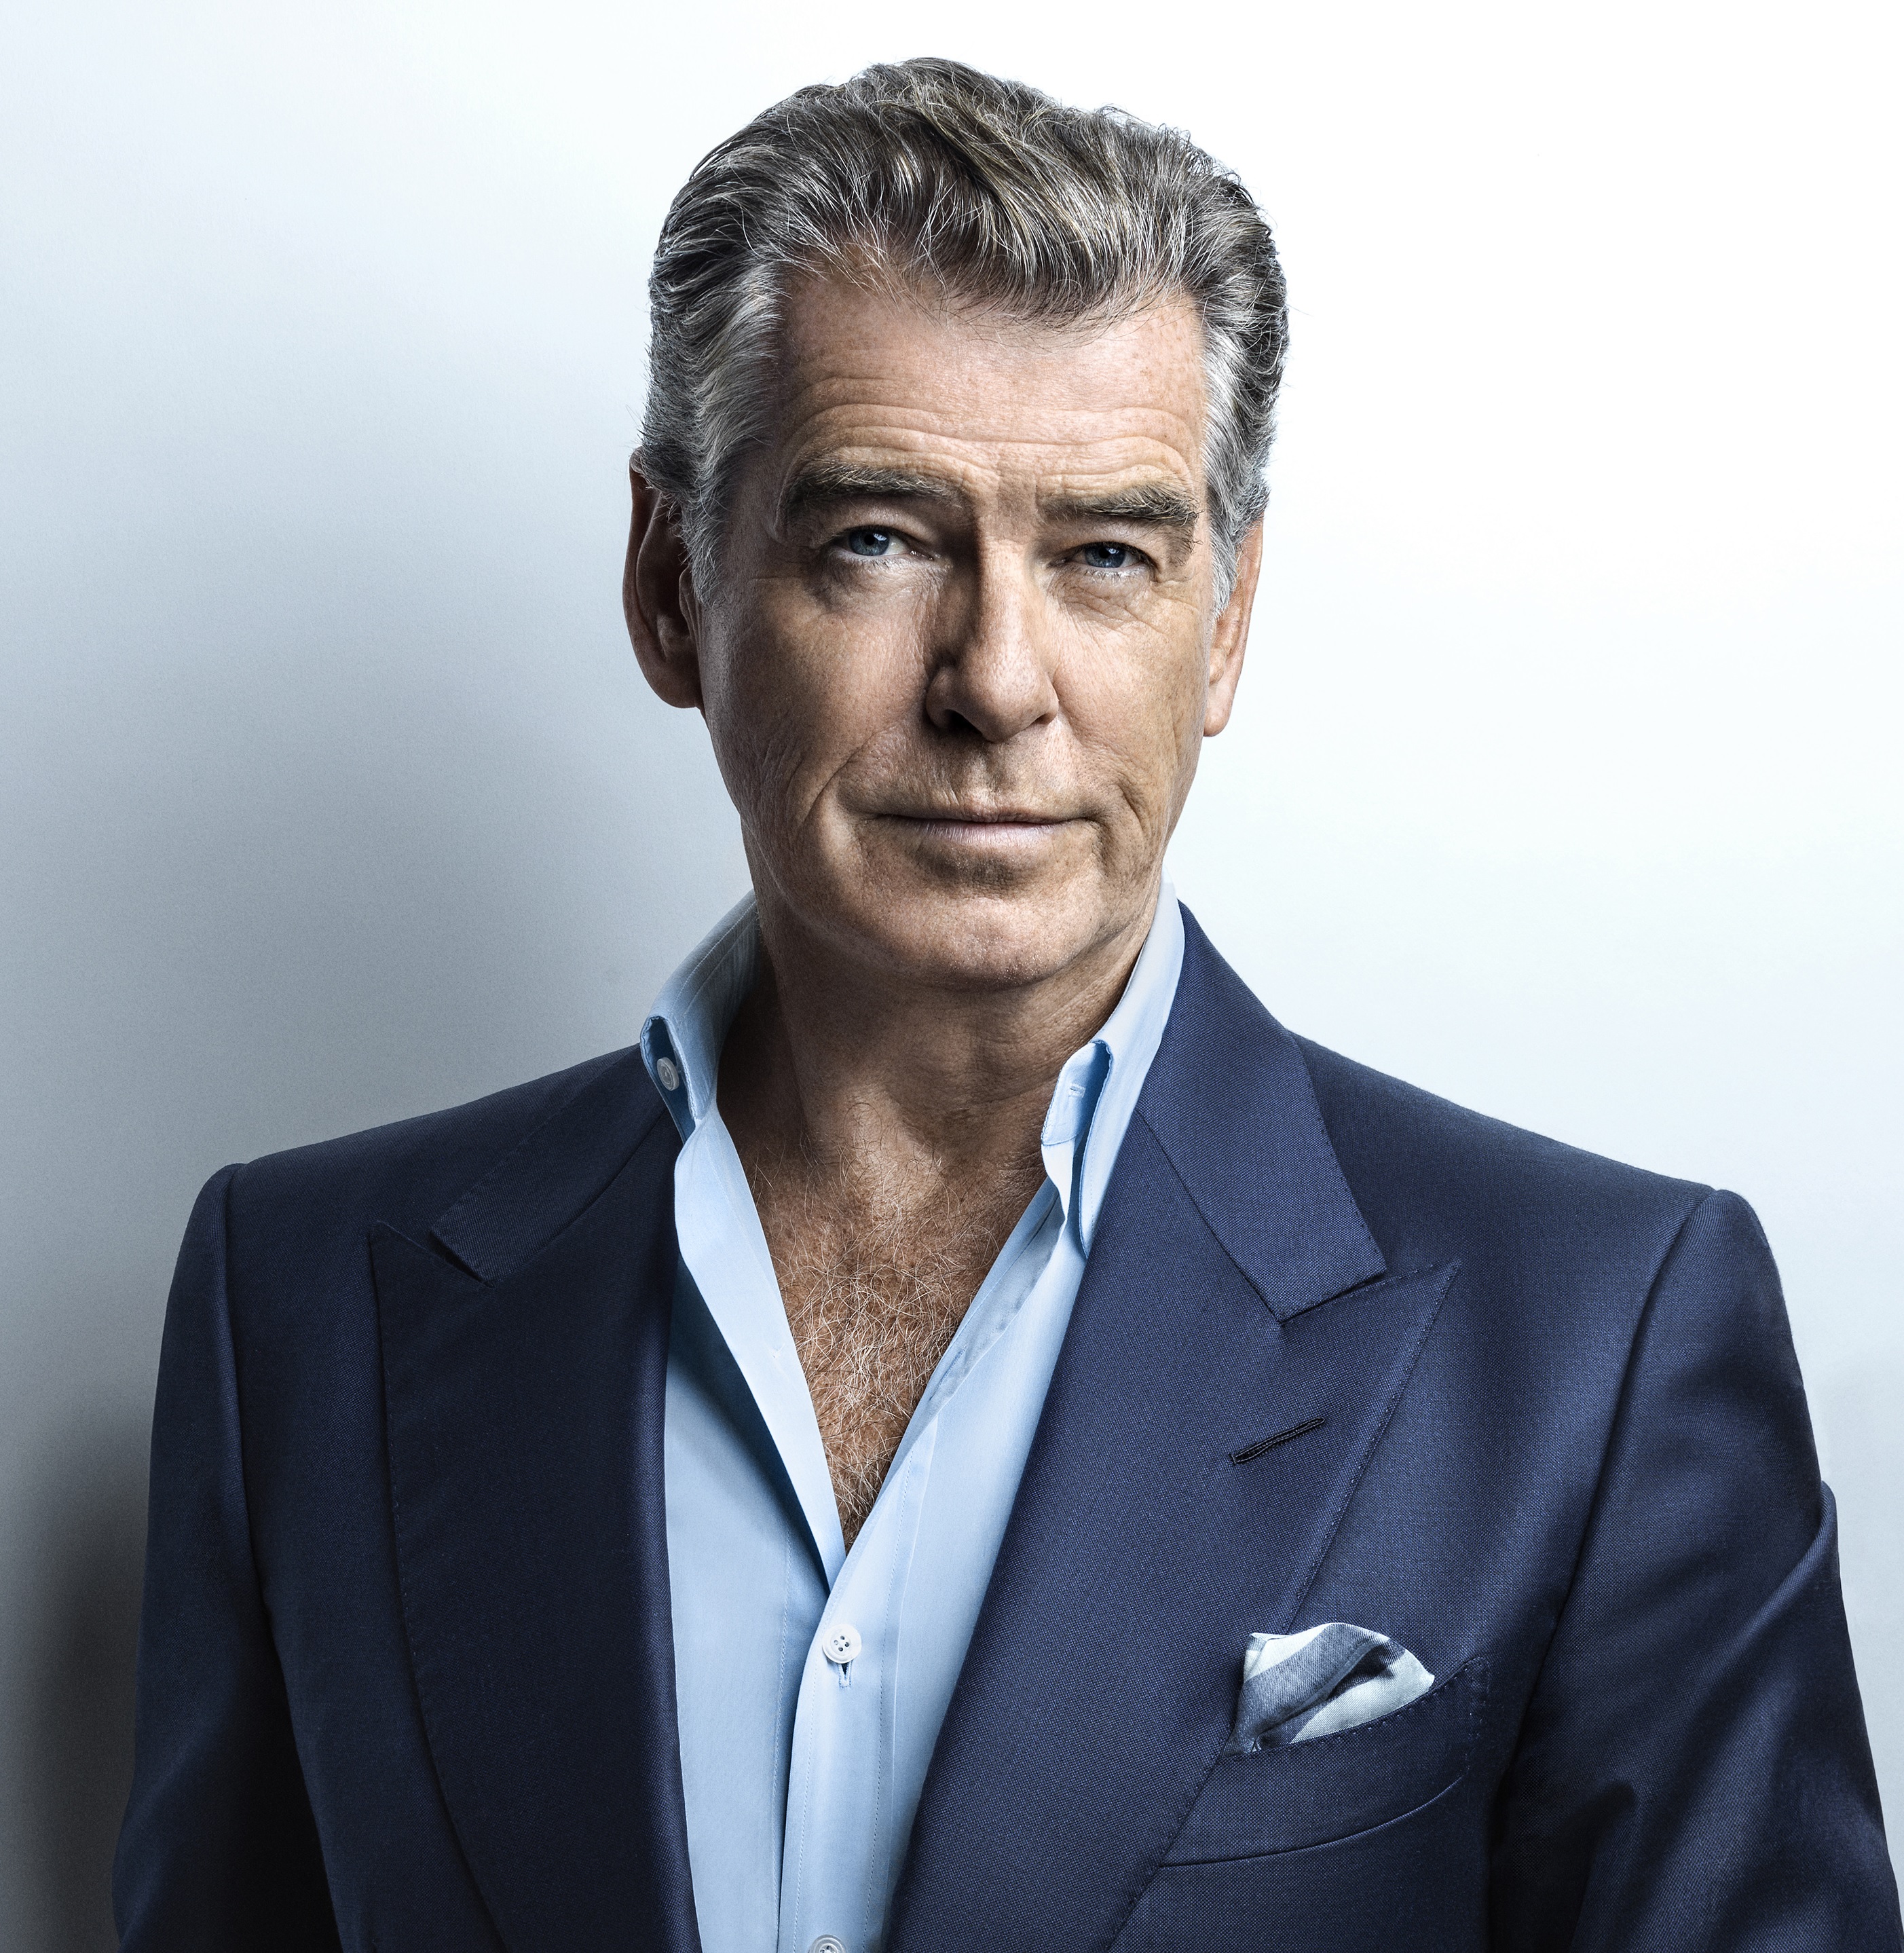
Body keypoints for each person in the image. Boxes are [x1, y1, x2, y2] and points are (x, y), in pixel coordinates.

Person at [113, 56, 1898, 1953]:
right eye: (878, 539)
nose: (996, 681)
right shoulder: (298, 1307)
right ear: (668, 585)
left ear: (1225, 623)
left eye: (1106, 555)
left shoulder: (1601, 1335)